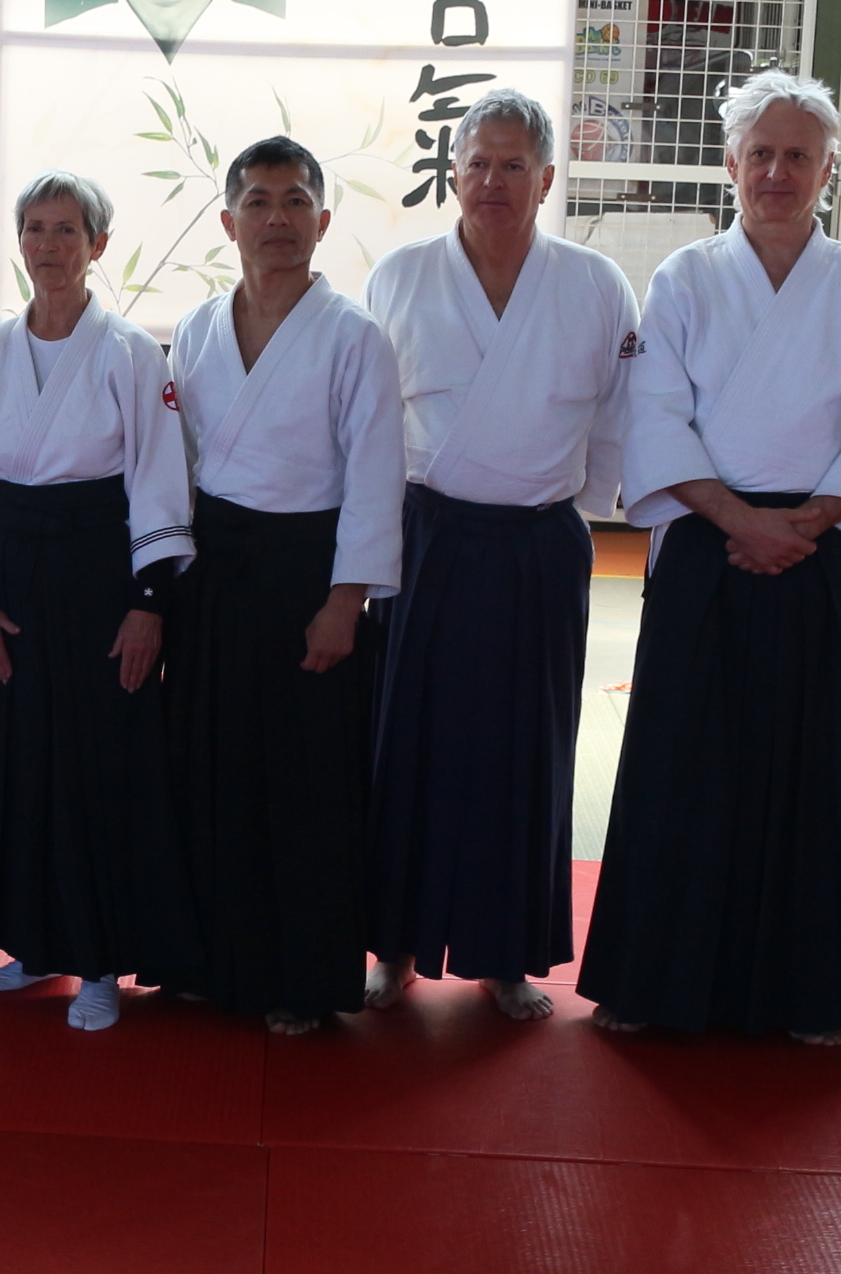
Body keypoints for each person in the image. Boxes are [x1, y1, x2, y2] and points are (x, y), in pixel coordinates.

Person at [574, 70, 841, 1044]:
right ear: (730, 164)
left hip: (819, 547)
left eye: (797, 155)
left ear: (827, 170)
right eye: (760, 153)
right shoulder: (685, 277)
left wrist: (803, 523)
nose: (777, 172)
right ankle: (654, 982)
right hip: (705, 541)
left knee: (815, 767)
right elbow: (655, 415)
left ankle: (801, 994)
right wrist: (739, 518)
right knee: (683, 764)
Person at [361, 87, 637, 1021]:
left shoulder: (594, 283)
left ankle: (505, 952)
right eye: (476, 163)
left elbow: (616, 422)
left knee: (524, 750)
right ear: (451, 173)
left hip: (536, 540)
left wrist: (577, 513)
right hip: (424, 534)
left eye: (513, 166)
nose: (492, 182)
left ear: (546, 179)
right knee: (407, 743)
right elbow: (368, 423)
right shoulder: (400, 275)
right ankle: (393, 943)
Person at [0, 169, 195, 1031]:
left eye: (66, 230)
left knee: (97, 763)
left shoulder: (130, 353)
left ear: (97, 245)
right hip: (9, 569)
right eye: (34, 229)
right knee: (11, 758)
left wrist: (148, 603)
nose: (47, 245)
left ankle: (100, 957)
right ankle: (34, 942)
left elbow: (159, 479)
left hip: (99, 574)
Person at [157, 137, 401, 1035]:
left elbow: (374, 476)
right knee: (209, 763)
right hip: (214, 571)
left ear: (322, 221)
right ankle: (203, 962)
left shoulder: (354, 336)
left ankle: (300, 977)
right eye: (257, 202)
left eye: (295, 201)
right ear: (228, 222)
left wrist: (345, 603)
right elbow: (177, 464)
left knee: (304, 781)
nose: (276, 219)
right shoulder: (196, 329)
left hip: (308, 575)